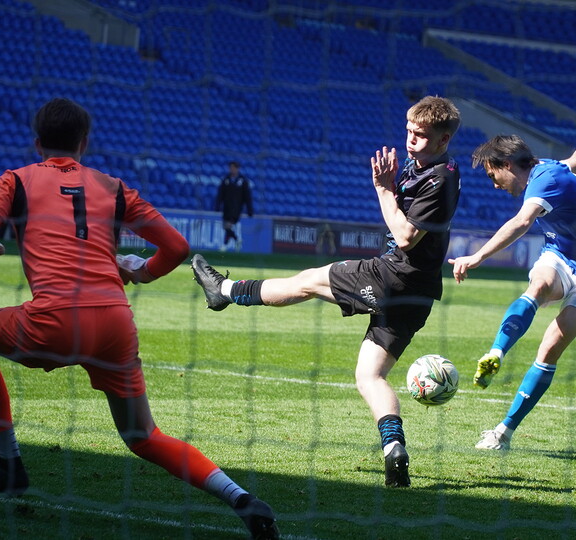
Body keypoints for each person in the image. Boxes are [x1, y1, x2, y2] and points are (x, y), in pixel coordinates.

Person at [0, 98, 278, 539]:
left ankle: (6, 462)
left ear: (37, 143)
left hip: (53, 320)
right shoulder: (113, 186)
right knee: (143, 435)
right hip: (114, 323)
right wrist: (140, 270)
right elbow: (177, 249)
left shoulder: (15, 180)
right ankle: (241, 498)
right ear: (84, 143)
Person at [191, 96, 462, 488]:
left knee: (308, 281)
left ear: (444, 140)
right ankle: (394, 450)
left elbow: (405, 236)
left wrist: (384, 189)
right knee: (370, 375)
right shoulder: (424, 166)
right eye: (408, 131)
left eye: (421, 135)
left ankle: (225, 290)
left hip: (393, 276)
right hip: (417, 293)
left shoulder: (442, 179)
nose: (411, 140)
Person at [448, 129, 576, 451]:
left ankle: (503, 433)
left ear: (508, 164)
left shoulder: (544, 181)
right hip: (559, 255)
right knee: (538, 286)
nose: (494, 184)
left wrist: (477, 256)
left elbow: (522, 222)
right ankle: (496, 351)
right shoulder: (550, 168)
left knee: (549, 348)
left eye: (492, 174)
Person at [215, 161, 253, 249]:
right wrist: (218, 205)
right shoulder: (226, 180)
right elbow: (221, 194)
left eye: (233, 168)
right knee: (226, 226)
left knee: (228, 225)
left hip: (236, 208)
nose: (231, 170)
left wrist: (249, 209)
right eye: (230, 168)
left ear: (237, 169)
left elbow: (247, 197)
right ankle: (236, 240)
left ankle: (226, 244)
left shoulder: (243, 181)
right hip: (226, 207)